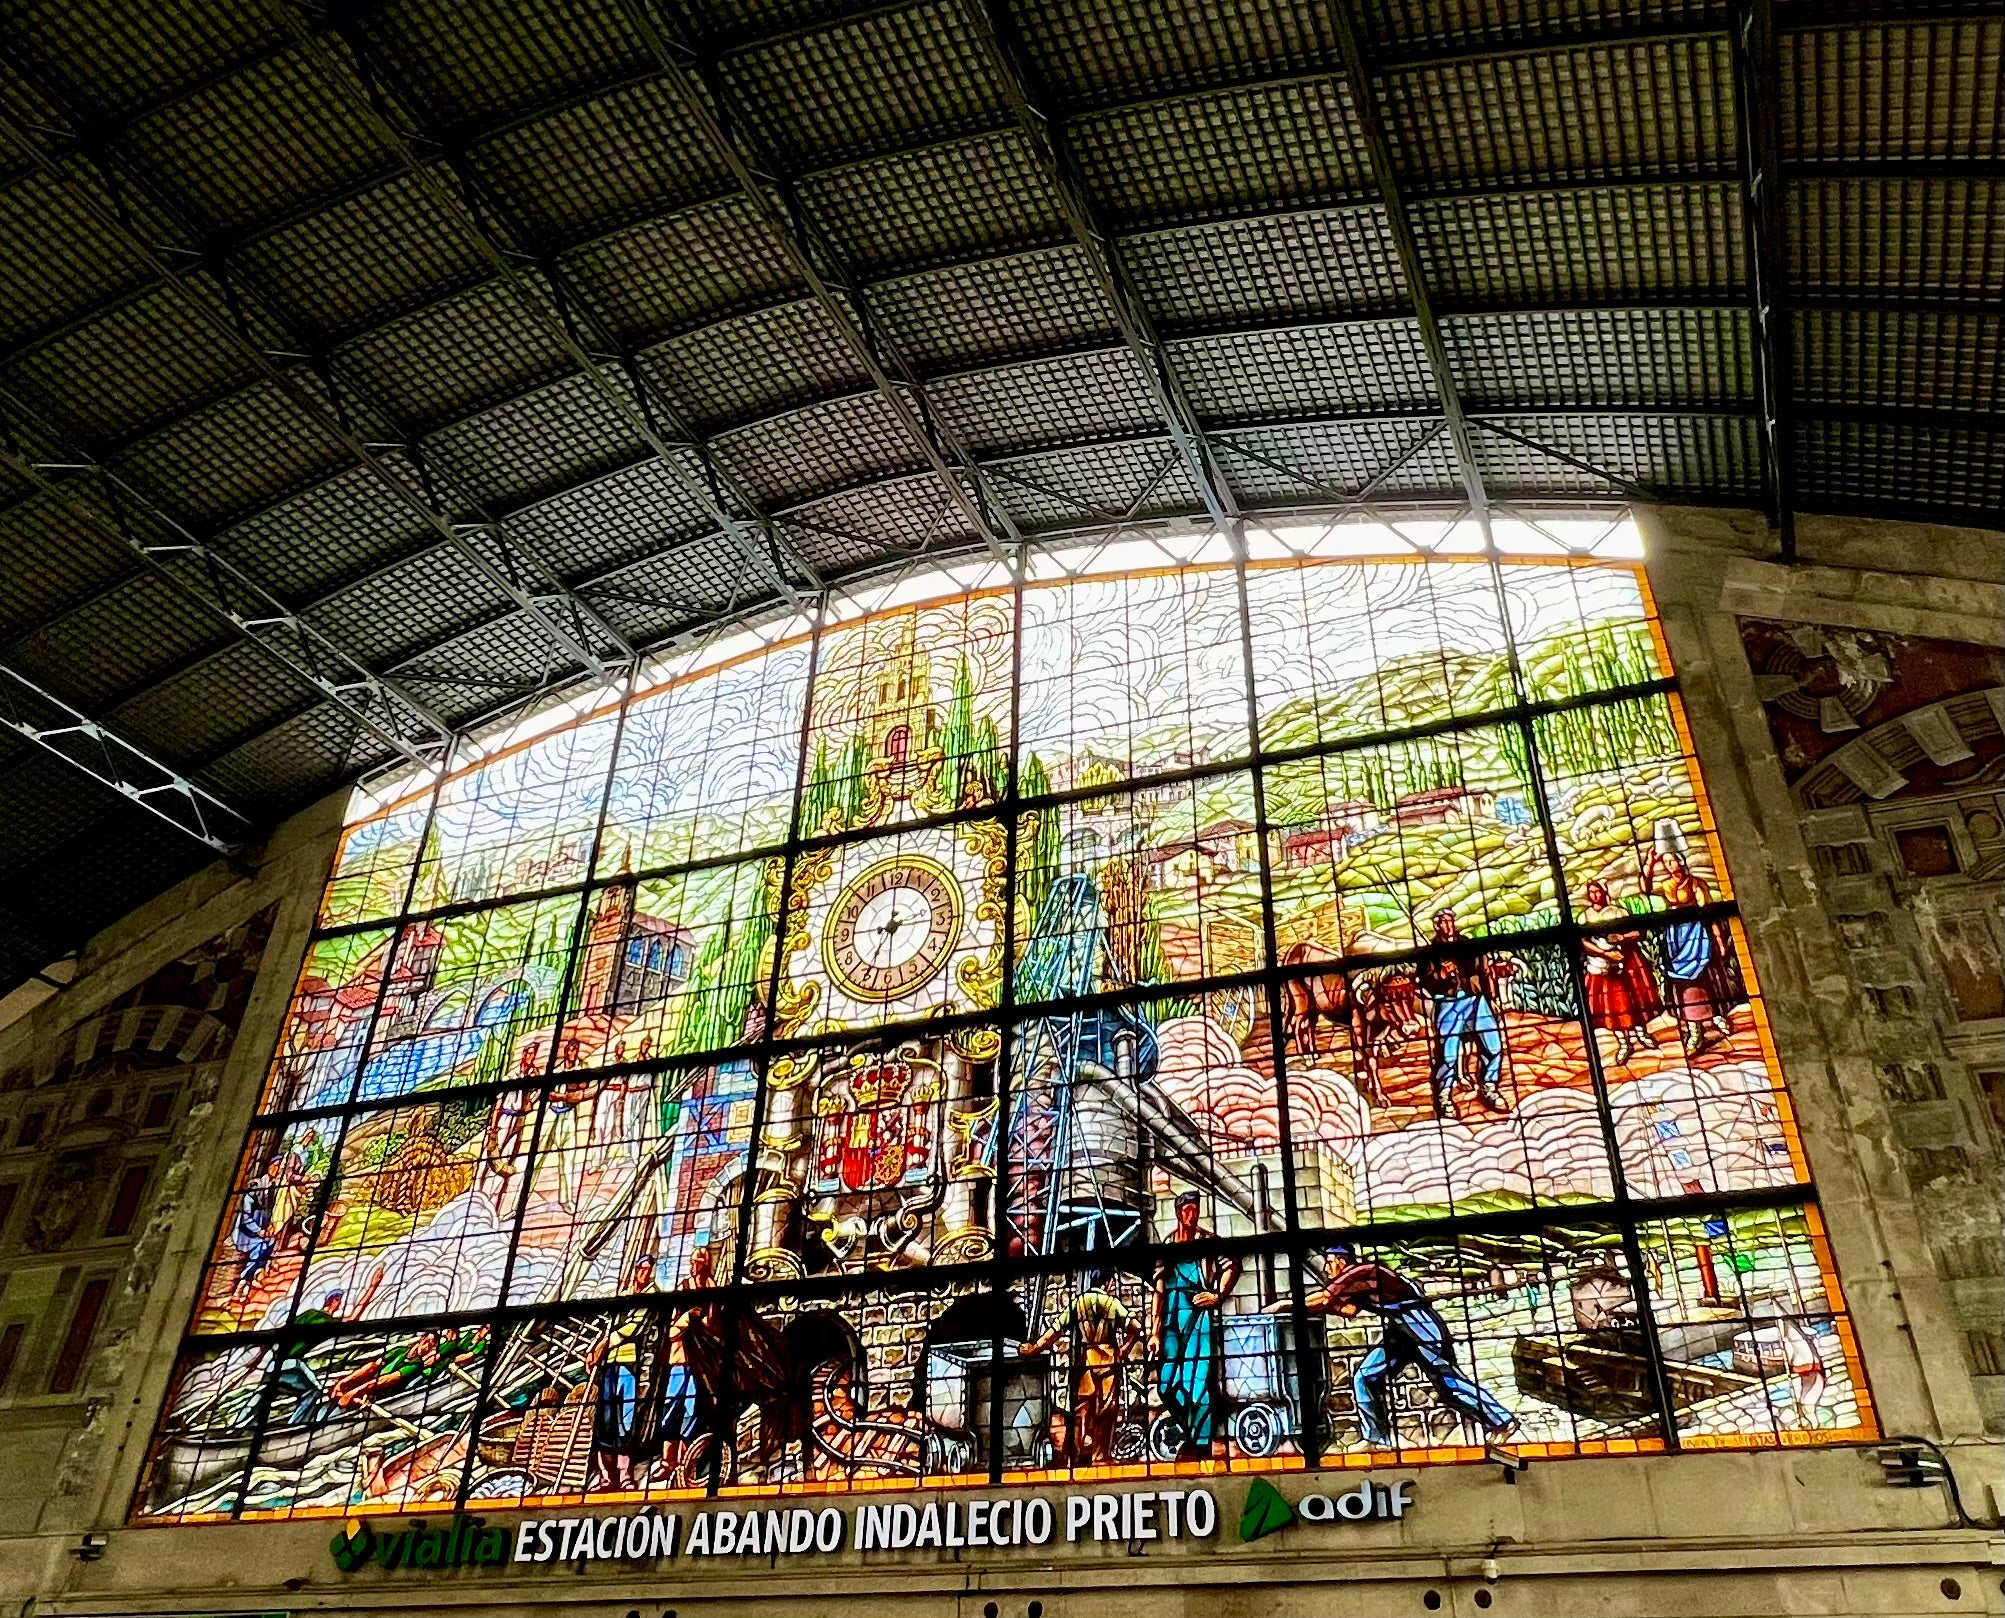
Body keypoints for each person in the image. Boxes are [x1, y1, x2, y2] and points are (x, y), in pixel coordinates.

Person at [1305, 1243, 1512, 1448]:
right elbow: (1349, 1310)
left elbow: (1325, 1298)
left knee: (1448, 1381)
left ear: (1342, 1261)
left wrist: (1287, 1305)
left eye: (1329, 1263)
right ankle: (1378, 1440)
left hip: (1419, 1323)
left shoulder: (1359, 1273)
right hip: (1399, 1329)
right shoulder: (1358, 1282)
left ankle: (1502, 1421)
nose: (1325, 1269)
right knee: (1365, 1376)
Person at [1150, 1192, 1239, 1460]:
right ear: (1178, 1213)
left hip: (1198, 1316)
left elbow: (1231, 1266)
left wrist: (1217, 1296)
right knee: (1167, 1385)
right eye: (1187, 1210)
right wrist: (1154, 1332)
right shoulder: (1167, 1244)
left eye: (1195, 1210)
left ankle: (1199, 1444)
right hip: (1170, 1320)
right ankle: (1189, 1433)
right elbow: (1159, 1288)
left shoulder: (1208, 1241)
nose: (1192, 1215)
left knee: (1196, 1383)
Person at [1021, 1269, 1140, 1465]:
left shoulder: (1078, 1304)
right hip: (1109, 1362)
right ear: (1108, 1283)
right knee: (1106, 1412)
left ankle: (1075, 1457)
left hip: (1085, 1362)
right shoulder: (1112, 1304)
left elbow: (1055, 1330)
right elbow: (1136, 1328)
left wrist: (1035, 1347)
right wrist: (1123, 1351)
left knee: (1082, 1411)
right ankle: (1100, 1457)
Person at [1643, 846, 1741, 1055]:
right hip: (1675, 938)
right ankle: (1694, 1029)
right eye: (1665, 862)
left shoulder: (1696, 883)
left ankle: (1715, 1016)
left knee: (1704, 979)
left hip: (1696, 936)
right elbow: (1645, 889)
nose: (1669, 865)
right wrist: (1649, 864)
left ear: (1681, 861)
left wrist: (1720, 941)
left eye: (1672, 861)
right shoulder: (1665, 884)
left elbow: (1708, 913)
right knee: (1683, 985)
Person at [1417, 911, 1515, 1116]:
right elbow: (1425, 982)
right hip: (1448, 1004)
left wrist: (1492, 998)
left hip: (1476, 999)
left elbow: (1485, 971)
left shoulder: (1468, 945)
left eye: (1450, 920)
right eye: (1443, 922)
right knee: (1449, 1054)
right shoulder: (1430, 953)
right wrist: (1441, 974)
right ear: (1437, 926)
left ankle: (1488, 1086)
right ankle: (1444, 1095)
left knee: (1494, 1046)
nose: (1448, 925)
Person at [588, 1255, 662, 1490]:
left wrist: (603, 1344)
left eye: (648, 1270)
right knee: (605, 1422)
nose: (644, 1274)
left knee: (625, 1422)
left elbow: (635, 1327)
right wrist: (595, 1347)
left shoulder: (652, 1296)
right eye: (641, 1269)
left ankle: (625, 1476)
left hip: (632, 1366)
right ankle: (605, 1477)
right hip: (610, 1366)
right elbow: (610, 1327)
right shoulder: (625, 1295)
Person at [1580, 880, 1663, 1063]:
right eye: (1591, 892)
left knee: (1634, 1001)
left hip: (1627, 961)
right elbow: (1583, 941)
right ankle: (1624, 1042)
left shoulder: (1618, 911)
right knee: (1612, 1006)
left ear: (1604, 892)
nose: (1594, 895)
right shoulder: (1586, 916)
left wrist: (1621, 937)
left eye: (1597, 891)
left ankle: (1642, 1033)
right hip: (1602, 965)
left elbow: (1639, 933)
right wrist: (1603, 952)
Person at [228, 1158, 280, 1302]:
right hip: (247, 1232)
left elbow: (268, 1212)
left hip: (261, 1231)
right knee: (261, 1246)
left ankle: (257, 1273)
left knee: (271, 1243)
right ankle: (244, 1281)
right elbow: (245, 1215)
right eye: (275, 1166)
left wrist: (269, 1226)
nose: (276, 1170)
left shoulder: (273, 1188)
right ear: (269, 1166)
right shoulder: (256, 1186)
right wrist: (258, 1230)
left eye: (279, 1168)